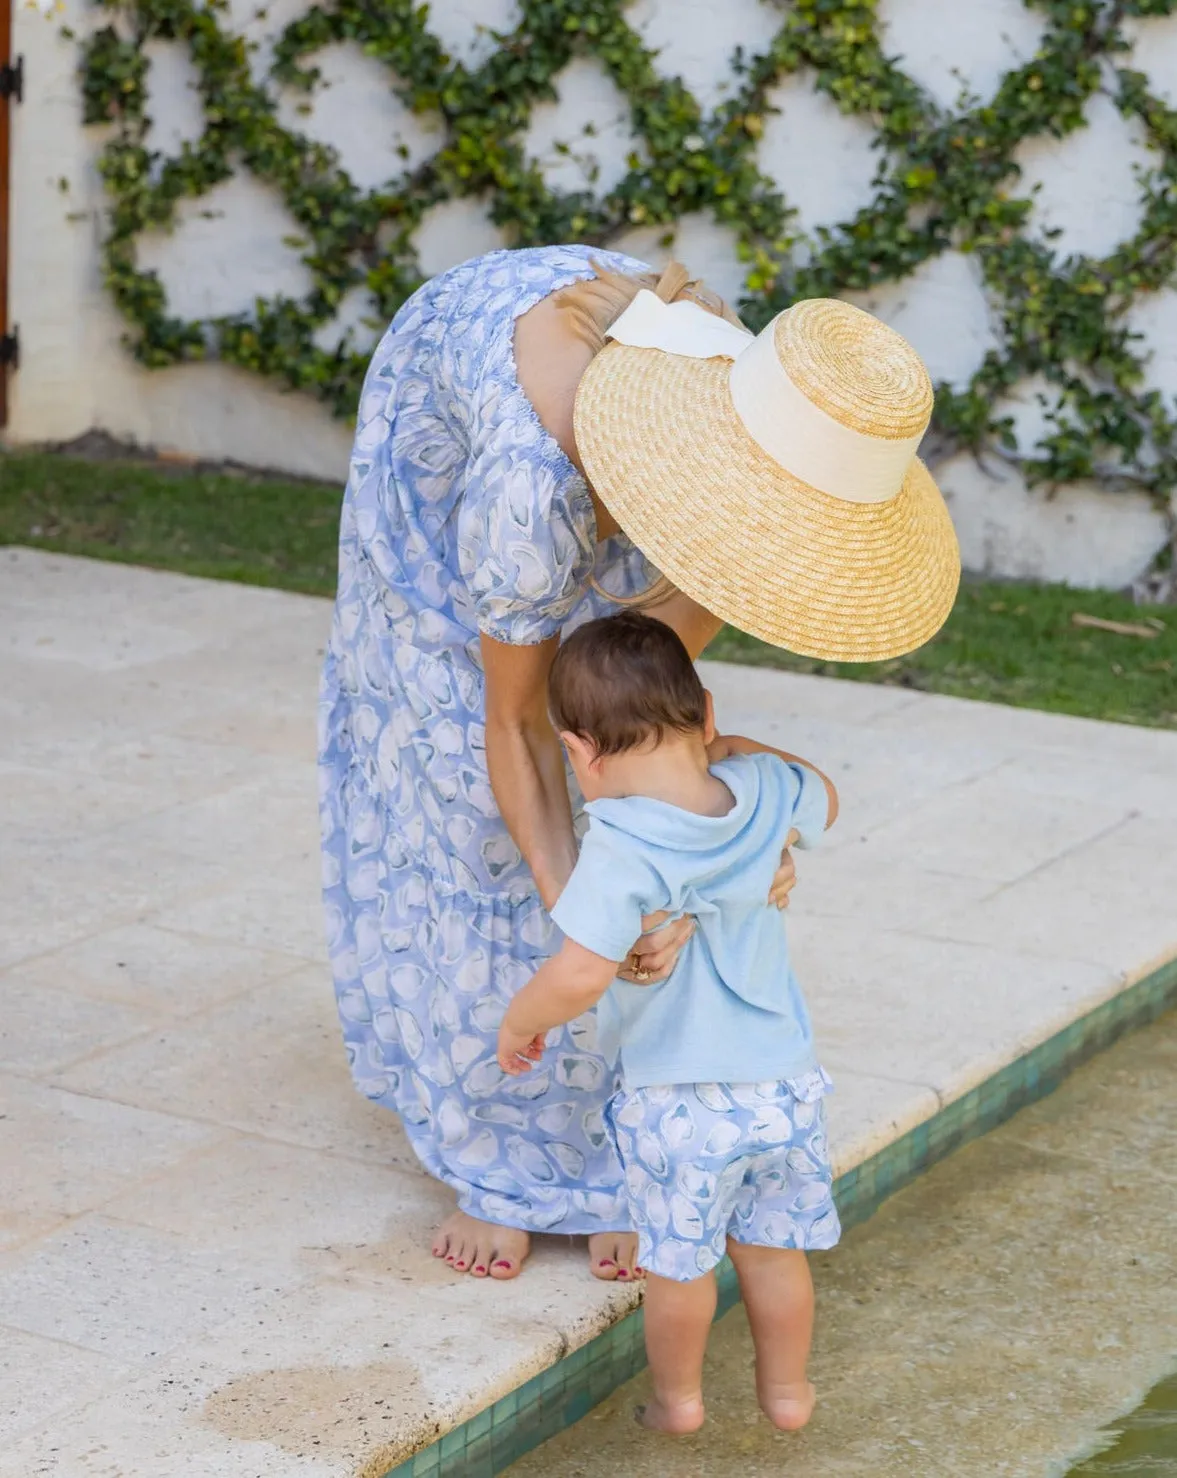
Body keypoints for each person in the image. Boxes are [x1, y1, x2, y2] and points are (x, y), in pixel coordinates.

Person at [318, 245, 959, 1284]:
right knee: (466, 789)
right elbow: (520, 726)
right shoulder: (524, 501)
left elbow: (653, 676)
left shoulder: (772, 414)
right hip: (466, 407)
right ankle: (500, 1160)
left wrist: (728, 827)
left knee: (614, 741)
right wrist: (595, 912)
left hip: (614, 407)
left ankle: (592, 1139)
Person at [497, 612, 840, 1434]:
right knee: (771, 1250)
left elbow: (580, 973)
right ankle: (787, 1395)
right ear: (707, 714)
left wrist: (520, 1023)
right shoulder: (762, 791)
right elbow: (824, 793)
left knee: (680, 1268)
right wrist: (739, 751)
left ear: (579, 752)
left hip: (676, 1103)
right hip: (785, 1087)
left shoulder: (619, 844)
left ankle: (679, 1402)